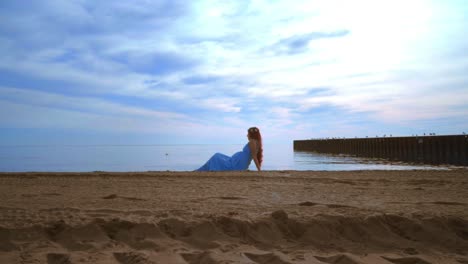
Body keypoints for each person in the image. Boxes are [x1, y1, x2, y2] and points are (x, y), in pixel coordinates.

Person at [195, 127, 263, 171]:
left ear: (251, 134)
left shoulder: (252, 142)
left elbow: (254, 156)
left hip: (236, 165)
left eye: (248, 133)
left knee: (216, 157)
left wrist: (259, 170)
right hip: (237, 162)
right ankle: (202, 169)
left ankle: (201, 170)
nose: (247, 135)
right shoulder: (256, 142)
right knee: (218, 156)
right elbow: (252, 156)